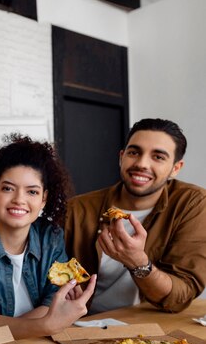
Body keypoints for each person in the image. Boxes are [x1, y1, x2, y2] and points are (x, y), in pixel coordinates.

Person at [0, 134, 97, 339]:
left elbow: (54, 300)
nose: (19, 200)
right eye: (8, 188)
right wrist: (44, 325)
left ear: (44, 199)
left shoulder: (51, 236)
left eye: (32, 192)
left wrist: (34, 325)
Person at [65, 118, 206, 314]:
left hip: (144, 324)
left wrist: (138, 262)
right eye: (134, 152)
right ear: (121, 157)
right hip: (80, 323)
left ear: (176, 168)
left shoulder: (192, 203)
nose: (141, 164)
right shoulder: (77, 208)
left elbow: (180, 296)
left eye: (158, 157)